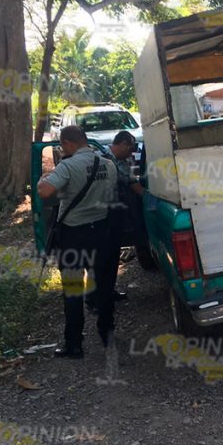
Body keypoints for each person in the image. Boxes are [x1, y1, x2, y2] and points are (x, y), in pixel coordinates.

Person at [37, 126, 118, 359]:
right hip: (102, 231)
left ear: (68, 143)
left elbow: (44, 192)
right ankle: (107, 333)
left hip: (74, 235)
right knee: (104, 286)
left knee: (73, 289)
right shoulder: (108, 164)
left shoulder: (68, 166)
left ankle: (74, 344)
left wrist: (45, 177)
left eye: (63, 146)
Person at [83, 130, 145, 312]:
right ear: (123, 144)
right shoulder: (99, 158)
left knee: (111, 258)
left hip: (114, 218)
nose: (132, 152)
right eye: (131, 148)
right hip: (98, 217)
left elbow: (132, 182)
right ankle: (93, 301)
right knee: (97, 261)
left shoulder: (122, 162)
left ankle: (108, 292)